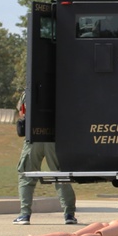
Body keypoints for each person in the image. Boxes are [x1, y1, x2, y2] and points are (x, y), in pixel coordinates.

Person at [13, 94, 77, 225]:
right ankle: (69, 214)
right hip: (54, 139)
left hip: (34, 137)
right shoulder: (61, 88)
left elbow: (22, 112)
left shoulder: (28, 92)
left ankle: (24, 214)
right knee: (61, 175)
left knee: (26, 175)